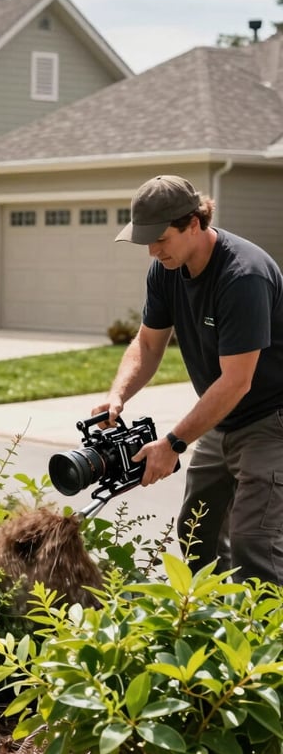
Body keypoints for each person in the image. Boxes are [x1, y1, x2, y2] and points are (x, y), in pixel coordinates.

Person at [93, 174, 283, 585]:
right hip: (224, 418)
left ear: (193, 223)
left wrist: (173, 443)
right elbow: (147, 344)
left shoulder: (243, 276)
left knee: (255, 545)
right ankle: (211, 632)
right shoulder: (166, 269)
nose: (152, 250)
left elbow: (237, 381)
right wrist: (117, 395)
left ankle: (266, 645)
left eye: (160, 238)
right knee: (197, 534)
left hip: (271, 420)